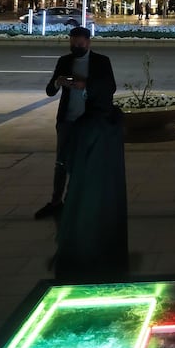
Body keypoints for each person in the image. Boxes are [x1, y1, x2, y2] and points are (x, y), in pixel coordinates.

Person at [36, 27, 116, 220]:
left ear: (88, 42)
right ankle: (56, 201)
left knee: (87, 163)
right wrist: (58, 82)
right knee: (61, 162)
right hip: (67, 121)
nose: (77, 47)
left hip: (90, 120)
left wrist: (85, 85)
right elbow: (49, 90)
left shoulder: (101, 61)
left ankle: (81, 201)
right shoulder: (64, 61)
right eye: (73, 43)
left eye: (80, 43)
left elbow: (110, 87)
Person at [52, 81, 127, 281]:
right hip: (110, 185)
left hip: (85, 186)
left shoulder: (85, 124)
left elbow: (68, 159)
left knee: (83, 223)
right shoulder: (115, 121)